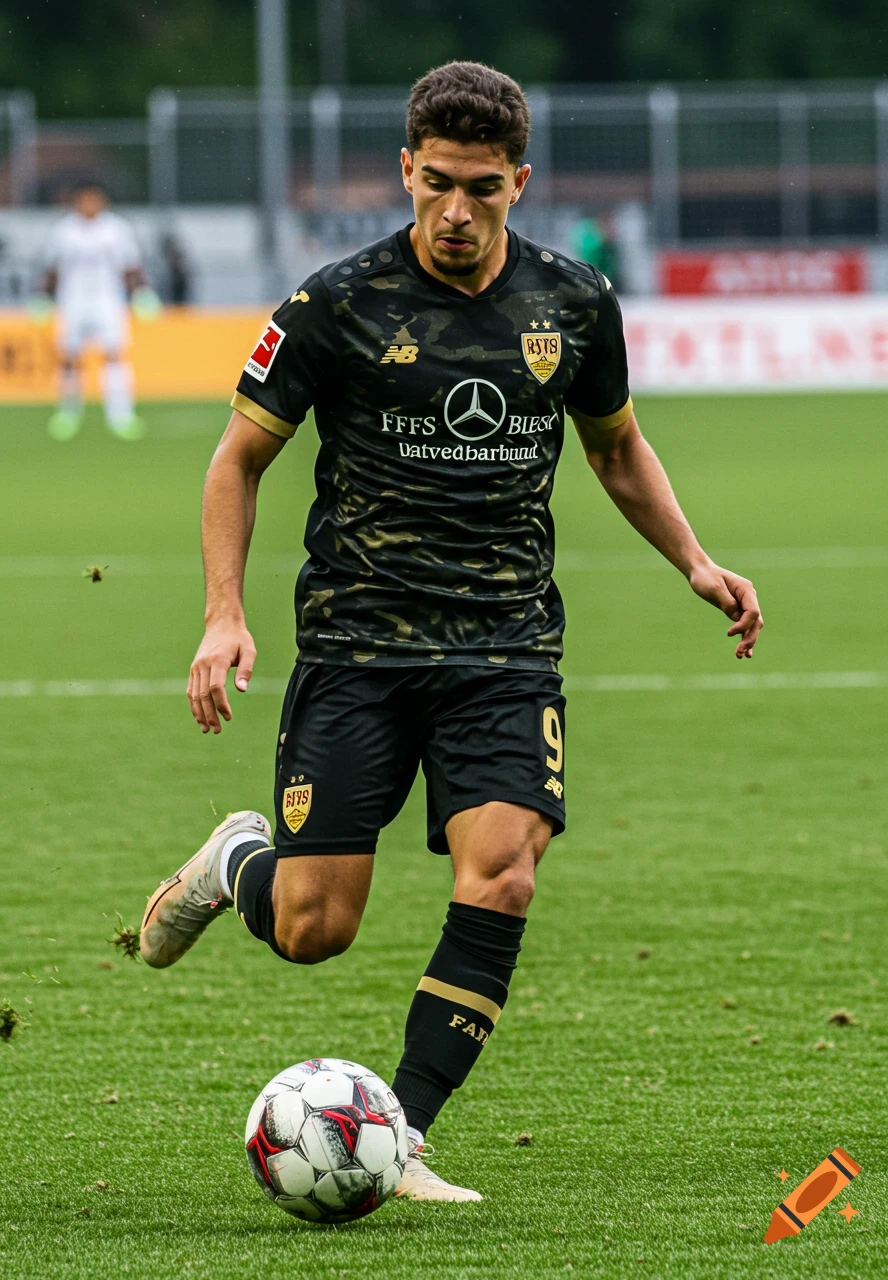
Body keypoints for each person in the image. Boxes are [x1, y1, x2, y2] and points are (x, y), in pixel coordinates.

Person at [139, 62, 763, 1203]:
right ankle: (238, 860)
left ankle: (403, 1134)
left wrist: (693, 559)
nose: (457, 211)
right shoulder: (336, 303)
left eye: (482, 187)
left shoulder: (575, 302)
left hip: (505, 650)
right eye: (437, 184)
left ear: (519, 180)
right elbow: (238, 460)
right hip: (357, 646)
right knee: (316, 927)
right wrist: (223, 614)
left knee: (505, 874)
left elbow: (617, 447)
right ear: (405, 172)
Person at [34, 180, 159, 441]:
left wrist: (141, 292)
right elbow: (53, 269)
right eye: (85, 199)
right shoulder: (64, 231)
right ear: (77, 202)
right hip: (72, 302)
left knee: (114, 355)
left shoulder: (116, 229)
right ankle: (68, 414)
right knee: (69, 358)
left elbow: (130, 266)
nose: (89, 204)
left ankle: (121, 416)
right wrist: (43, 296)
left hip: (107, 301)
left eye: (94, 199)